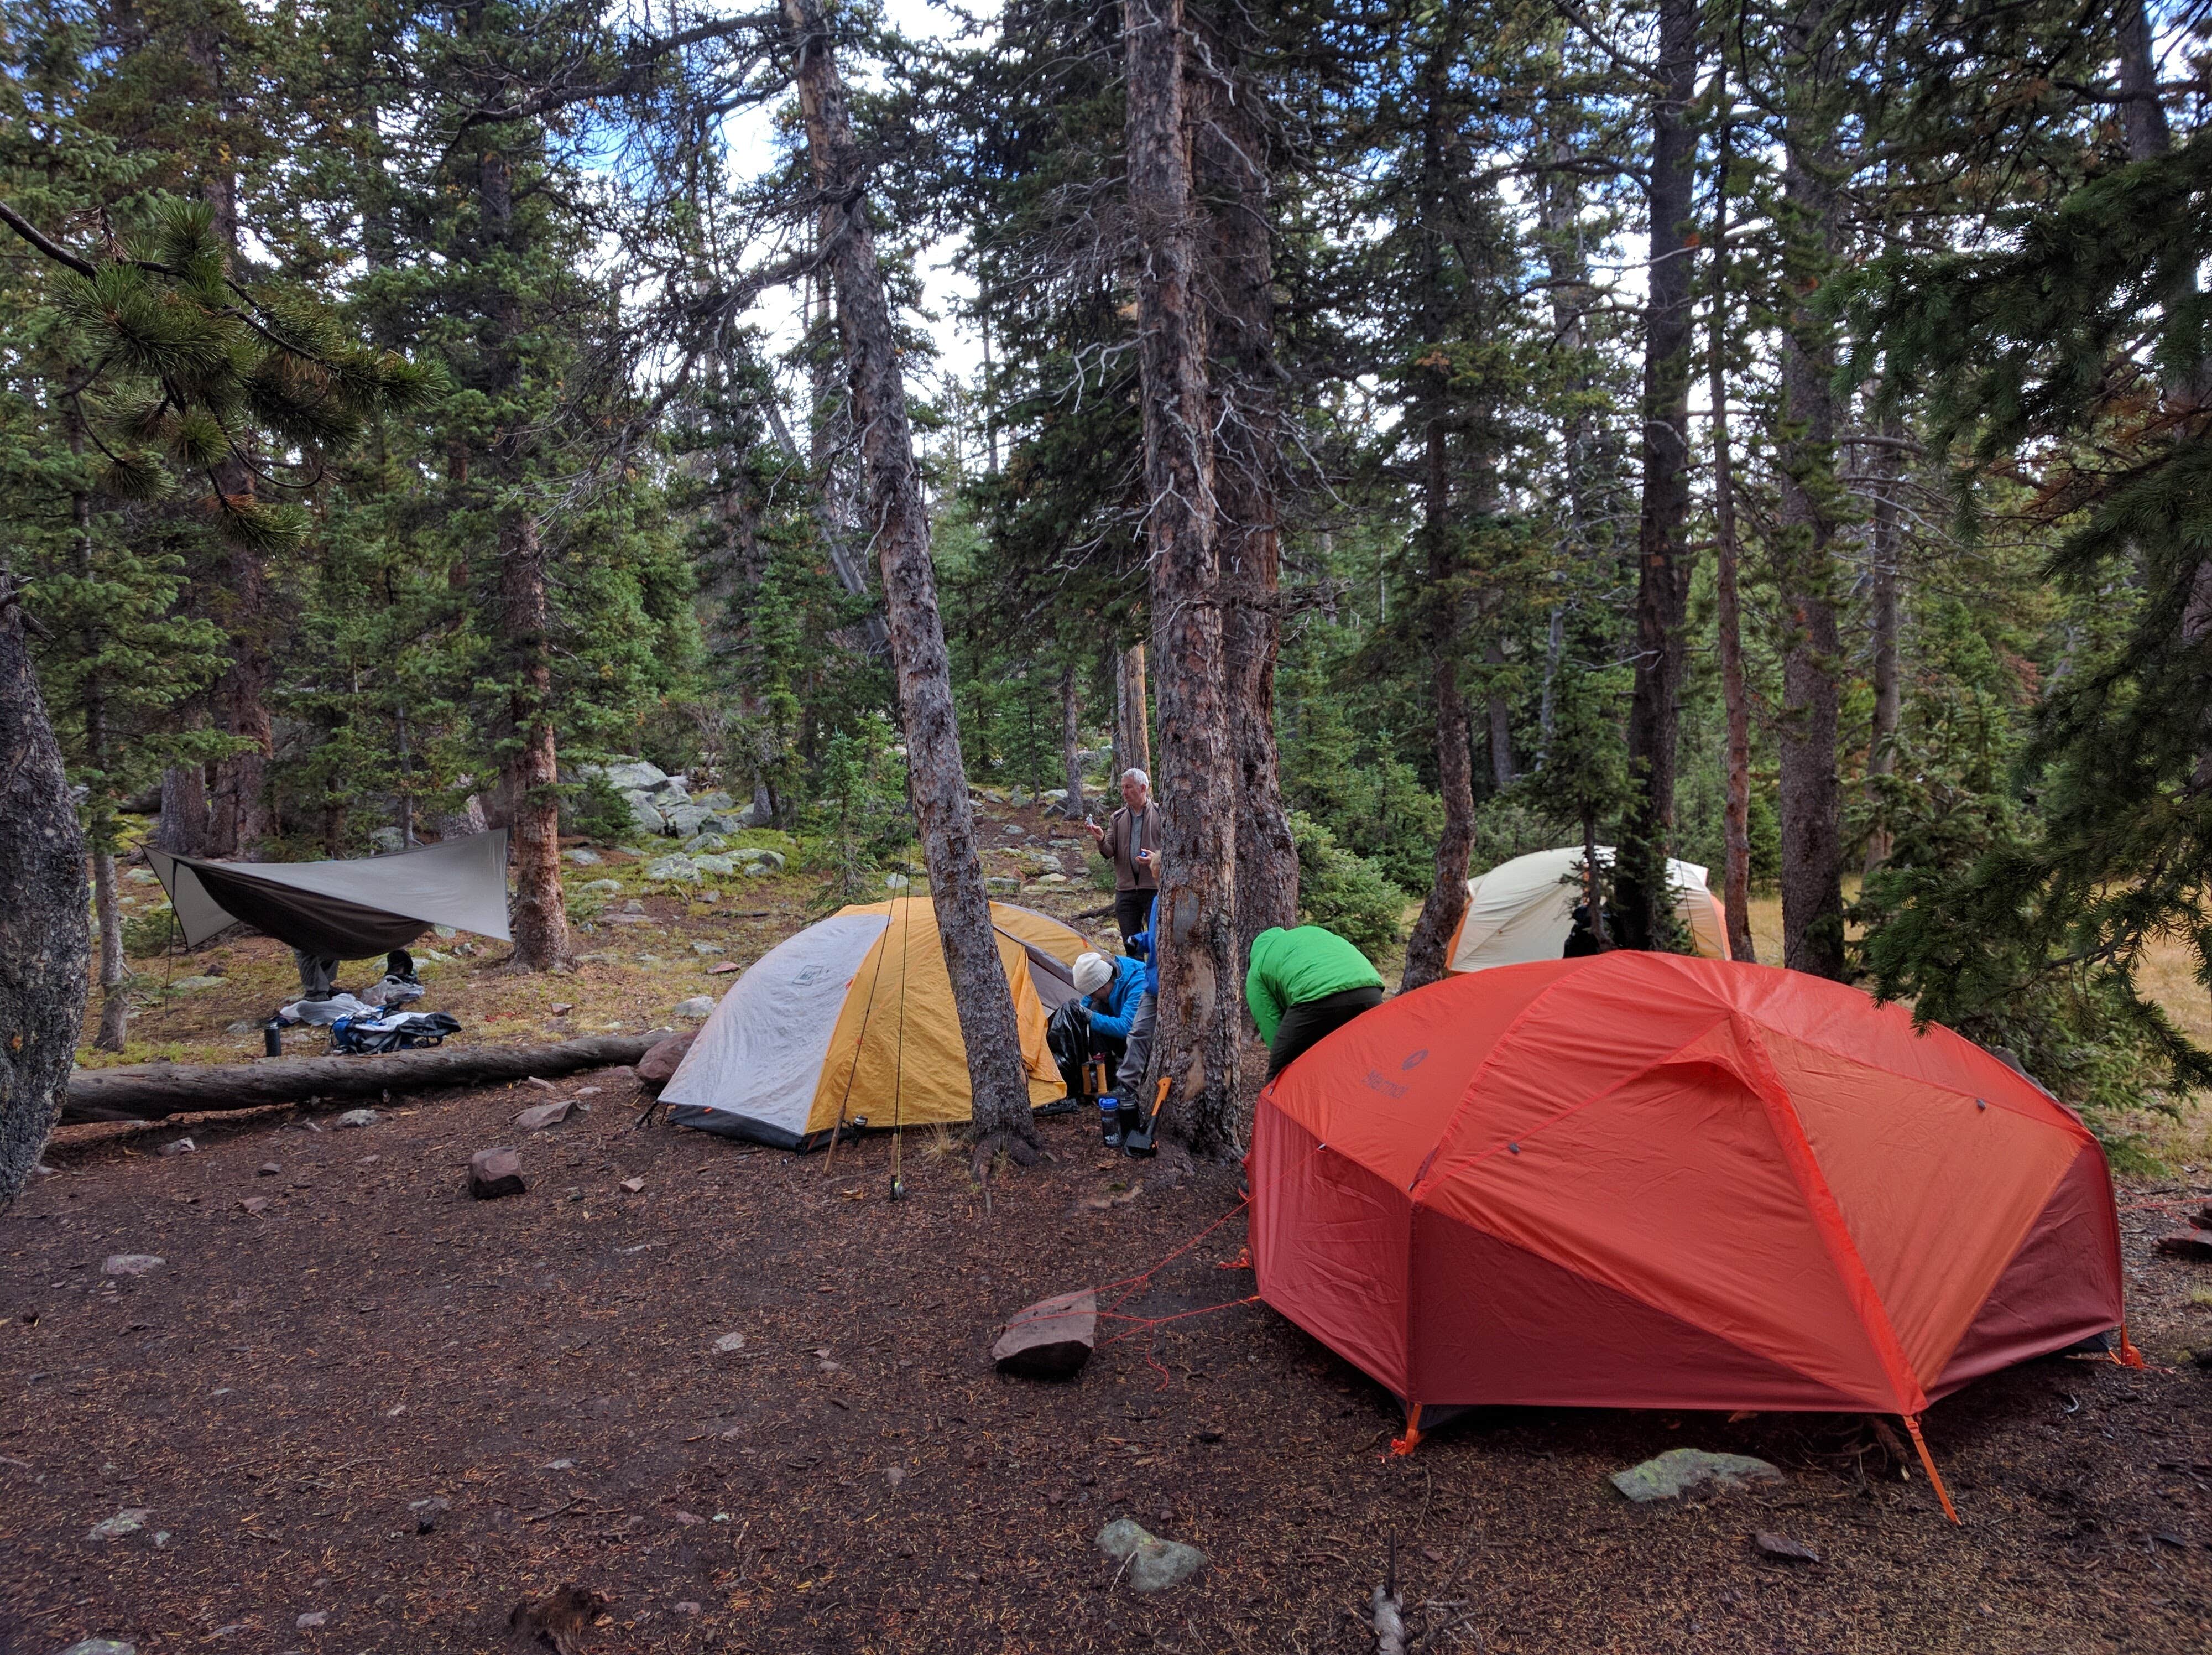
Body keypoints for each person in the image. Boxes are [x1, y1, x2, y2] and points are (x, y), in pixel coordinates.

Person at [1245, 924, 1385, 1081]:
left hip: (1319, 997)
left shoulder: (1256, 969)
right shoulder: (1307, 934)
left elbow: (1270, 1022)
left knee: (1280, 1072)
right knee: (1360, 1065)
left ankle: (1276, 1104)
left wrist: (1281, 1054)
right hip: (1370, 989)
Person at [1073, 949, 1147, 1144]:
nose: (1093, 997)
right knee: (1095, 1011)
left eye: (1094, 992)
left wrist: (1091, 1017)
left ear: (1104, 984)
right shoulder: (1108, 977)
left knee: (1096, 1015)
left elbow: (1128, 1028)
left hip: (1145, 1042)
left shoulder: (1137, 982)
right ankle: (1104, 1082)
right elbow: (1090, 1001)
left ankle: (1129, 1084)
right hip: (1128, 1037)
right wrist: (1079, 1009)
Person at [1078, 768, 1159, 944]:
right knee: (1131, 945)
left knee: (1157, 945)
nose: (1124, 792)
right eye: (1123, 788)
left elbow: (1175, 853)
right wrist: (1100, 839)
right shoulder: (1117, 817)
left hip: (1154, 889)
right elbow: (1109, 852)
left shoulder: (1162, 815)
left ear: (1143, 787)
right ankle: (1134, 972)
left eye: (1129, 787)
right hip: (1125, 891)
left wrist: (1156, 859)